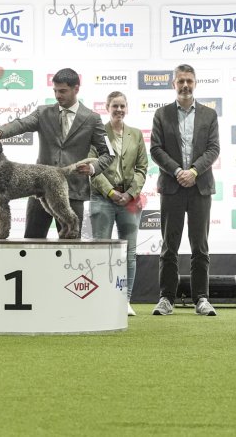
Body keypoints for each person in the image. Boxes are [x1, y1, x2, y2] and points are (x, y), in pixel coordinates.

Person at [0, 68, 113, 238]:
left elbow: (109, 153)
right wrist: (0, 132)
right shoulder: (43, 112)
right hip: (37, 188)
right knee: (31, 243)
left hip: (73, 190)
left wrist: (93, 168)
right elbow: (21, 124)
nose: (57, 95)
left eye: (62, 91)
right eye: (55, 91)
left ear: (76, 89)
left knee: (71, 247)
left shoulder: (92, 118)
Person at [149, 64, 220, 317]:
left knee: (200, 246)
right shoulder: (161, 114)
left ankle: (201, 298)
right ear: (174, 84)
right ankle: (166, 298)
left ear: (195, 83)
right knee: (169, 246)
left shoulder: (209, 115)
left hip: (200, 187)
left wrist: (194, 172)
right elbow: (156, 149)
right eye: (181, 81)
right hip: (172, 186)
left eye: (189, 80)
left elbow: (213, 149)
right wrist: (178, 171)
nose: (185, 85)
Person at [89, 91, 148, 316]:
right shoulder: (97, 133)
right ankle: (100, 299)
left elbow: (142, 168)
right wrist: (111, 192)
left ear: (127, 108)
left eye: (122, 106)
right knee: (101, 252)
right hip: (102, 198)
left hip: (129, 201)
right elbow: (92, 167)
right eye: (115, 106)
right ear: (107, 107)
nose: (119, 110)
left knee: (129, 253)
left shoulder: (136, 134)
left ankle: (125, 300)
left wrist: (130, 193)